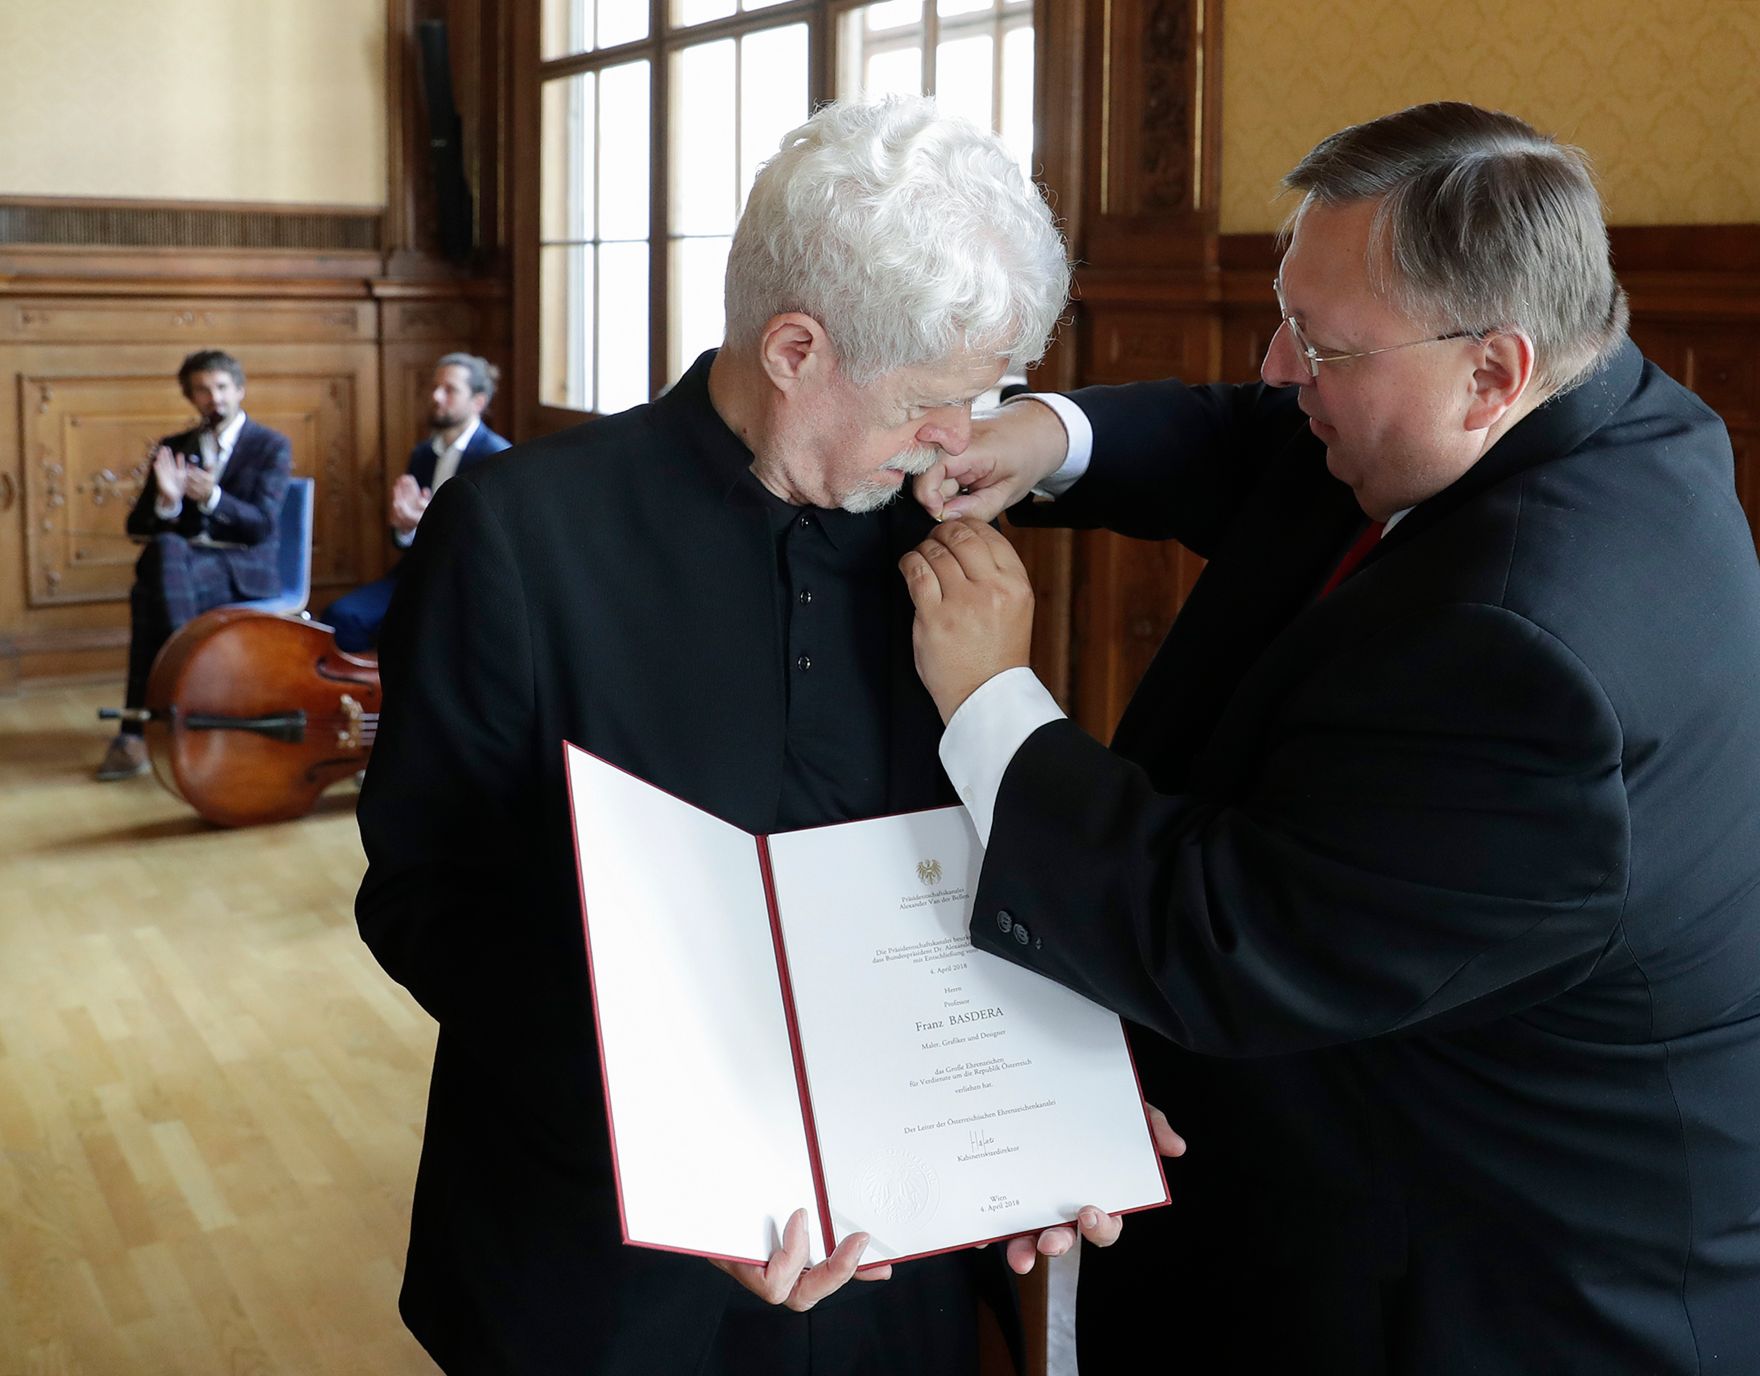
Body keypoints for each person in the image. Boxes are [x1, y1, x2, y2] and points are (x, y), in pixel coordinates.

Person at [900, 101, 1760, 1375]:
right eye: (1284, 317)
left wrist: (990, 702)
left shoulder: (1531, 659)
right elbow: (1254, 442)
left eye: (1318, 344)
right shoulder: (1599, 404)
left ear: (1492, 370)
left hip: (1475, 1286)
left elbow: (1226, 936)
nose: (1273, 367)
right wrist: (1047, 433)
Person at [353, 95, 1154, 1376]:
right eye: (934, 402)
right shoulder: (514, 532)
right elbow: (425, 898)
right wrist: (692, 1149)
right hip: (594, 1239)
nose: (962, 440)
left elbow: (985, 878)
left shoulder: (950, 557)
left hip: (895, 1246)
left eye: (986, 393)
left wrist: (1055, 1102)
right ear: (793, 348)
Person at [96, 349, 292, 780]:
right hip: (184, 570)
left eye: (222, 387)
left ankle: (136, 731)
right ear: (191, 397)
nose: (214, 398)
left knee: (151, 586)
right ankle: (195, 701)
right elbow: (137, 525)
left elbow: (260, 527)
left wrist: (213, 498)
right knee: (164, 551)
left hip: (243, 566)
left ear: (240, 390)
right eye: (203, 390)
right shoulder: (173, 447)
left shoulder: (271, 445)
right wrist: (167, 501)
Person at [319, 353, 510, 652]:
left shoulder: (497, 457)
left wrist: (433, 522)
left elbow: (498, 543)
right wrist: (404, 526)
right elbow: (404, 538)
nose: (435, 396)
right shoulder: (423, 454)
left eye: (449, 390)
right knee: (341, 618)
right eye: (434, 387)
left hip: (465, 584)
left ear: (478, 402)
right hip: (417, 573)